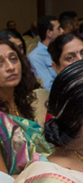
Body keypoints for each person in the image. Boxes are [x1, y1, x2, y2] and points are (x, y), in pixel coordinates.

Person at [0, 37, 51, 174]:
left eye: (13, 59)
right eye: (0, 63)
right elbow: (4, 181)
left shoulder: (24, 103)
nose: (11, 67)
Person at [27, 15, 62, 91]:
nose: (62, 31)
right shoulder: (35, 57)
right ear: (49, 33)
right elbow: (47, 88)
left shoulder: (59, 50)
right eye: (58, 29)